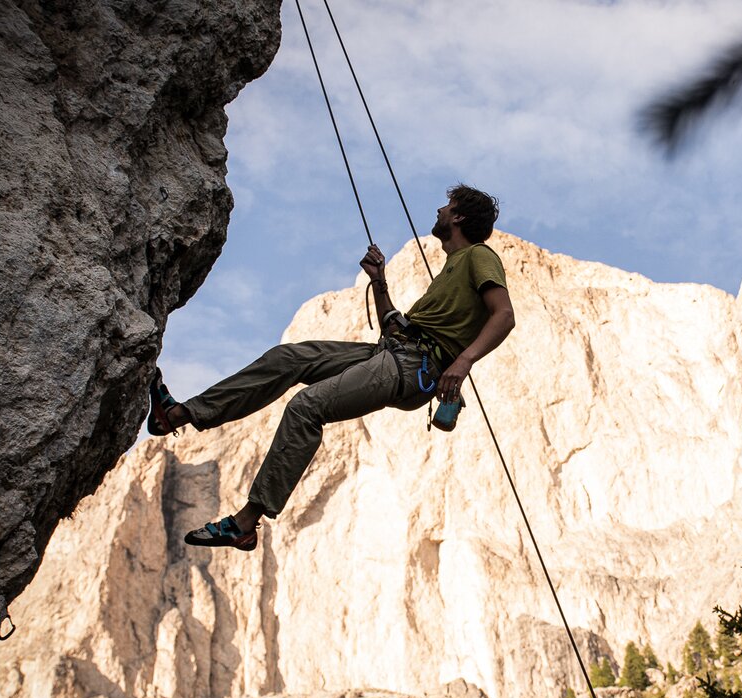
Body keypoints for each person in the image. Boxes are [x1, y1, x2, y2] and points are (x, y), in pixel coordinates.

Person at [145, 185, 515, 551]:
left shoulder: (480, 256)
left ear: (459, 216)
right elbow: (391, 323)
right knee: (288, 359)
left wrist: (464, 361)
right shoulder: (451, 270)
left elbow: (504, 315)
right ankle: (177, 414)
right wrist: (379, 280)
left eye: (447, 205)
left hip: (412, 366)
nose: (439, 209)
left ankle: (244, 523)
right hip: (393, 352)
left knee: (307, 407)